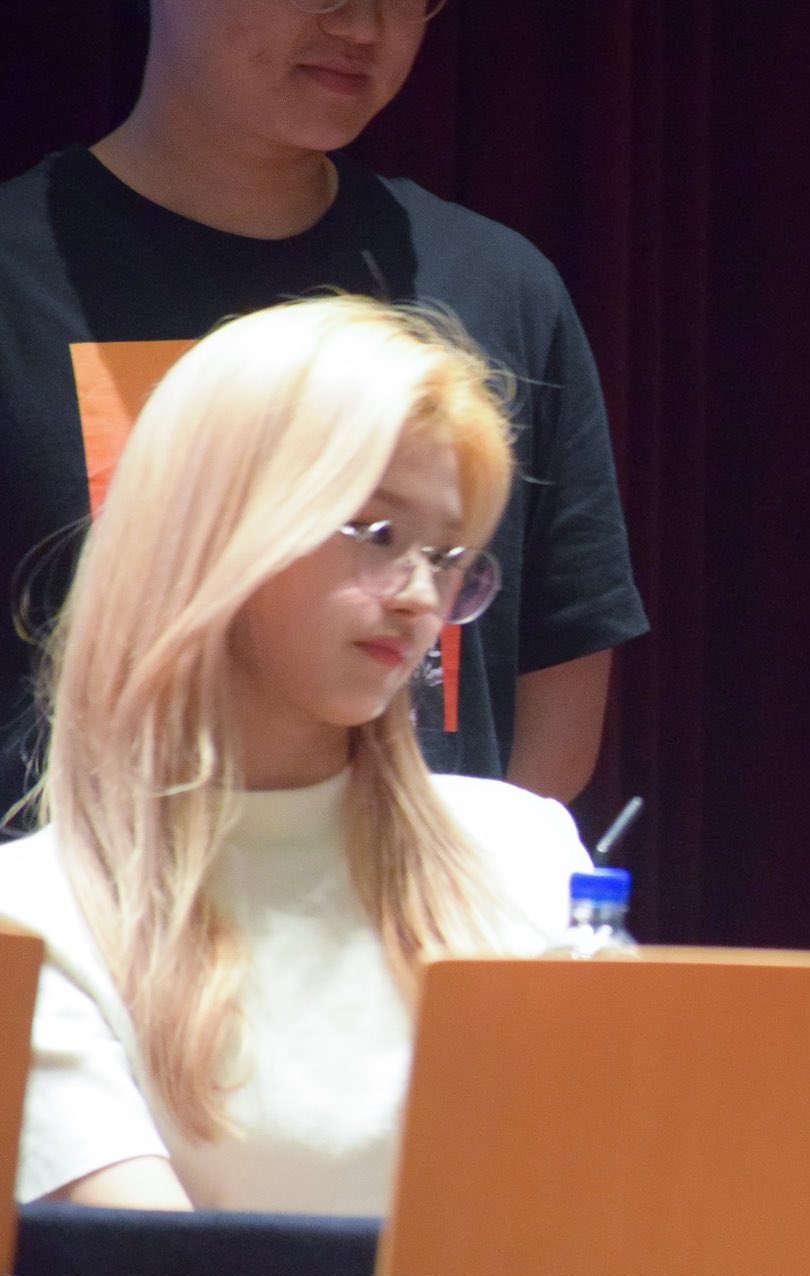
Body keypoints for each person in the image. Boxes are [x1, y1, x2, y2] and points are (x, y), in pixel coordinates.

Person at [0, 296, 591, 1216]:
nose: (419, 597)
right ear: (215, 530)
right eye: (378, 534)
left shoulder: (524, 851)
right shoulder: (31, 916)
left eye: (446, 557)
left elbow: (613, 1230)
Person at [0, 0, 647, 822]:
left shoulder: (496, 286)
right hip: (85, 888)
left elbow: (558, 672)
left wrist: (450, 871)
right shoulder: (18, 281)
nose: (362, 27)